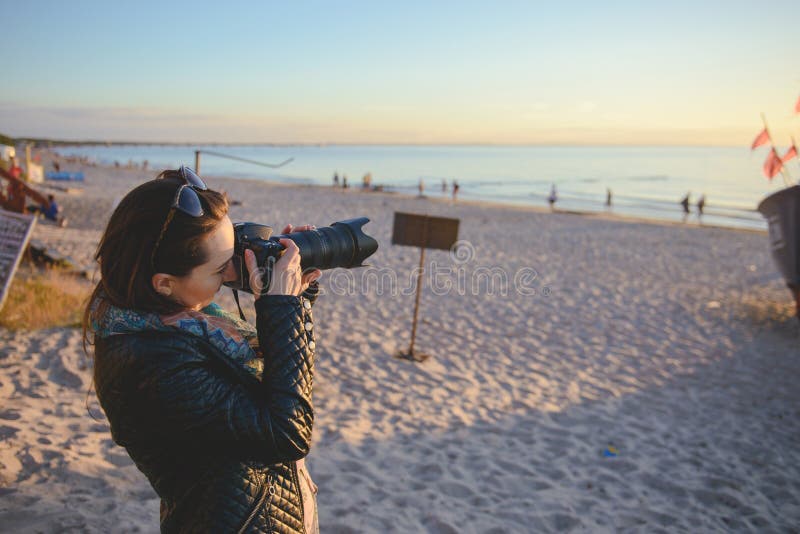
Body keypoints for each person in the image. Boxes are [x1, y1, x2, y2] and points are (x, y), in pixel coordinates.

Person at [83, 166, 322, 533]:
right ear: (164, 283)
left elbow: (277, 385)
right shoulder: (153, 363)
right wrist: (281, 309)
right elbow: (287, 431)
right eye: (219, 269)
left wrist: (294, 294)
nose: (230, 276)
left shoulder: (181, 322)